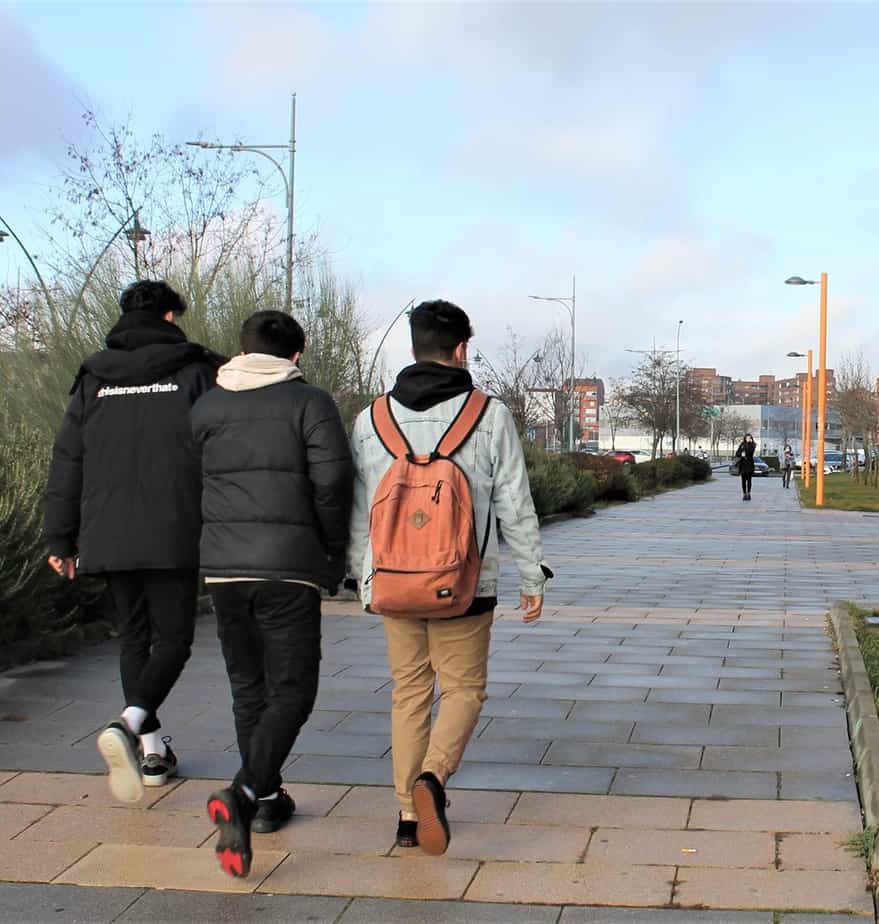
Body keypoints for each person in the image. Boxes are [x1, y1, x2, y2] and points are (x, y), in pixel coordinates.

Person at [347, 300, 551, 856]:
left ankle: (407, 816)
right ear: (461, 349)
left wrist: (362, 580)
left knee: (409, 693)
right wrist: (532, 577)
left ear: (413, 348)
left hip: (393, 582)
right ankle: (433, 778)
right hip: (465, 584)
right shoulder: (488, 414)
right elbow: (515, 502)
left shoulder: (372, 418)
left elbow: (361, 507)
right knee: (463, 688)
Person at [43, 280, 222, 803]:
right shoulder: (195, 372)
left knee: (134, 638)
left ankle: (151, 750)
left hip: (108, 529)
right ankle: (129, 723)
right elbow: (218, 446)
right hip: (174, 525)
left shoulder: (94, 377)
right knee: (175, 640)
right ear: (170, 317)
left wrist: (60, 536)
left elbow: (68, 459)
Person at [191, 311, 354, 877]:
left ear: (241, 351)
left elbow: (191, 485)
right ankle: (244, 793)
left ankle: (264, 802)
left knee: (249, 686)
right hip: (288, 569)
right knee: (294, 689)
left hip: (224, 569)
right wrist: (334, 553)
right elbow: (332, 480)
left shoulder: (206, 407)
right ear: (296, 355)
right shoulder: (309, 403)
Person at [734, 433, 758, 500]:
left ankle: (749, 493)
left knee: (749, 480)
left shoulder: (752, 445)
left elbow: (750, 452)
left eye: (749, 438)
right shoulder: (742, 445)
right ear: (745, 438)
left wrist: (747, 447)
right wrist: (741, 454)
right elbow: (737, 453)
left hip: (749, 464)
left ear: (751, 438)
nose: (748, 439)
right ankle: (744, 494)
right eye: (747, 438)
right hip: (743, 464)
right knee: (743, 480)